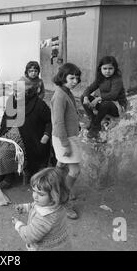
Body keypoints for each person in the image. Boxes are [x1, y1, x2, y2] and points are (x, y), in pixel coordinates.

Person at [0, 77, 52, 189]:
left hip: (29, 136)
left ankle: (9, 177)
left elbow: (50, 121)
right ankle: (2, 173)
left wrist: (46, 135)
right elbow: (5, 117)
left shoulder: (39, 104)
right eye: (14, 90)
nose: (15, 93)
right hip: (10, 132)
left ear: (28, 92)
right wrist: (1, 132)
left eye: (18, 91)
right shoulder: (12, 101)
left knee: (6, 152)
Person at [12, 167, 72, 251]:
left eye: (41, 194)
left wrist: (18, 225)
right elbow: (35, 206)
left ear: (54, 195)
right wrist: (25, 207)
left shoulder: (44, 218)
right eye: (34, 190)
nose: (35, 196)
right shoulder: (54, 204)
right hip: (60, 244)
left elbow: (28, 236)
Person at [51, 63, 82, 219]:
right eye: (71, 78)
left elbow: (70, 115)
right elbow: (58, 123)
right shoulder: (60, 95)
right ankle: (64, 200)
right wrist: (65, 145)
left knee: (61, 165)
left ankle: (52, 189)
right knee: (75, 171)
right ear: (63, 77)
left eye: (77, 78)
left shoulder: (66, 91)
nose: (75, 81)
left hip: (68, 136)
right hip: (64, 138)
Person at [81, 56, 128, 139]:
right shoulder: (100, 79)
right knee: (83, 97)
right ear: (100, 69)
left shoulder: (117, 80)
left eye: (110, 68)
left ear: (115, 69)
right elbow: (89, 88)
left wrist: (98, 99)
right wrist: (85, 97)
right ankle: (93, 119)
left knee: (105, 103)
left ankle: (95, 126)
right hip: (104, 105)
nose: (107, 71)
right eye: (105, 68)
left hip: (117, 107)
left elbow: (113, 95)